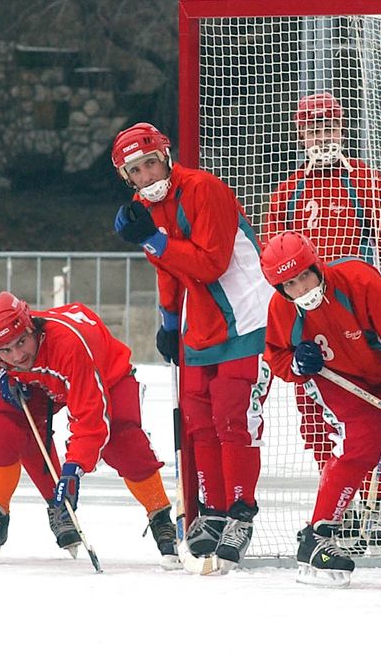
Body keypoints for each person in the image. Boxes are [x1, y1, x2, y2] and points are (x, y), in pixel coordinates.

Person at [264, 91, 381, 550]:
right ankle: (340, 505)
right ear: (301, 134)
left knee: (375, 411)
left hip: (358, 316)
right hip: (308, 321)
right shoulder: (290, 190)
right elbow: (273, 258)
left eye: (328, 127)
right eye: (313, 129)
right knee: (316, 416)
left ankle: (373, 509)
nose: (322, 137)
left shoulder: (367, 183)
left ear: (342, 129)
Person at [111, 122, 273, 571]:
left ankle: (241, 512)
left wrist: (154, 239)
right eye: (136, 171)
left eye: (150, 163)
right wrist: (166, 320)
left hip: (245, 318)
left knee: (231, 416)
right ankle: (215, 511)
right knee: (199, 422)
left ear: (165, 155)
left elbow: (210, 263)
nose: (146, 175)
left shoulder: (204, 189)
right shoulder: (144, 206)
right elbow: (167, 269)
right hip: (196, 326)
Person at [260, 231, 381, 587]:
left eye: (305, 276)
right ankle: (317, 536)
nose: (301, 289)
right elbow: (276, 356)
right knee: (362, 444)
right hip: (343, 384)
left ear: (317, 266)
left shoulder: (360, 282)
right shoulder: (282, 309)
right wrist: (296, 363)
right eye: (289, 284)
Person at [0, 291, 178, 567]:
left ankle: (160, 516)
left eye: (21, 342)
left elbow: (90, 419)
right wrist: (4, 375)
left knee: (123, 443)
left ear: (30, 326)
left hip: (107, 376)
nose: (18, 355)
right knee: (0, 433)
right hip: (44, 383)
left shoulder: (68, 346)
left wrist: (73, 469)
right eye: (6, 351)